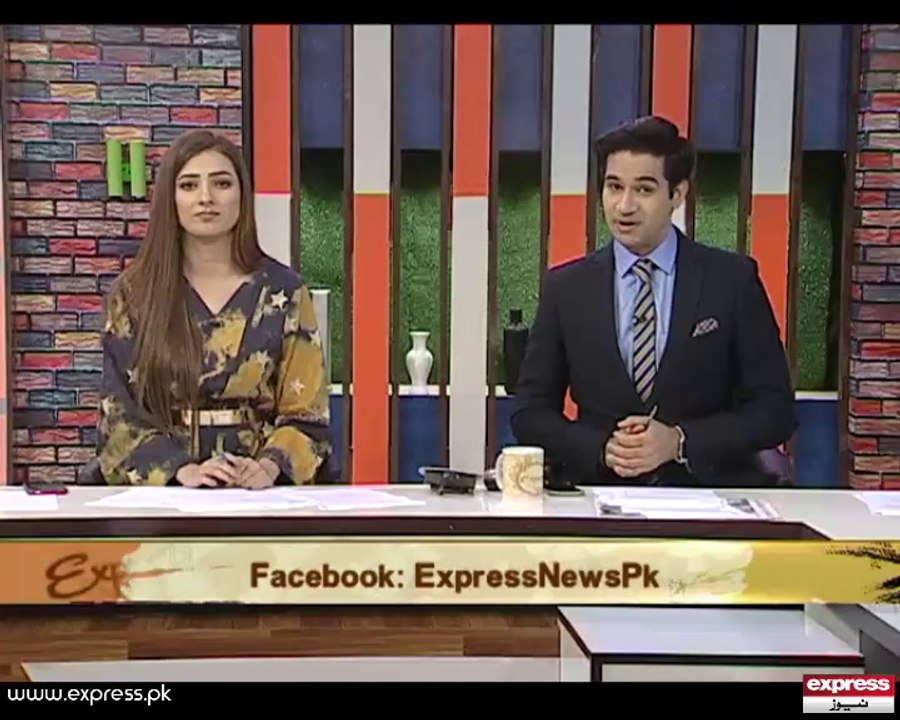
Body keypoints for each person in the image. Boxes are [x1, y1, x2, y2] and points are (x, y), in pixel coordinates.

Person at [510, 116, 796, 488]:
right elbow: (530, 412)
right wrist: (601, 448)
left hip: (704, 496)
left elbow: (775, 411)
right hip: (598, 494)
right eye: (614, 187)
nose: (624, 206)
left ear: (677, 194)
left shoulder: (731, 281)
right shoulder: (567, 288)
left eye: (644, 189)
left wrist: (680, 442)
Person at [97, 129, 333, 489]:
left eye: (222, 183)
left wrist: (268, 467)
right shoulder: (134, 295)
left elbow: (307, 415)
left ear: (242, 195)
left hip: (259, 496)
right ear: (170, 199)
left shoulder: (285, 292)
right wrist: (180, 471)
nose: (206, 198)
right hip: (164, 498)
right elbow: (118, 416)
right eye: (189, 185)